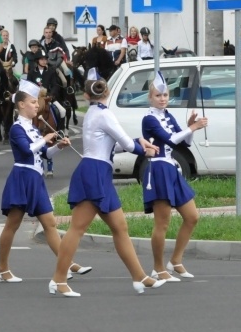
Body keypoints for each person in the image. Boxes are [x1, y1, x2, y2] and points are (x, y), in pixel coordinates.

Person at [50, 69, 164, 297]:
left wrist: (138, 142)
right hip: (95, 173)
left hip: (99, 172)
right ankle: (58, 280)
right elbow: (127, 145)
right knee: (78, 228)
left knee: (120, 227)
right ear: (108, 91)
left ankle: (139, 276)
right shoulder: (104, 114)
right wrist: (144, 149)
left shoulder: (94, 113)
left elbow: (112, 145)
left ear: (86, 94)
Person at [0, 79, 91, 282]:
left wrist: (58, 146)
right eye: (33, 102)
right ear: (21, 104)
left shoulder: (33, 128)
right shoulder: (17, 128)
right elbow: (26, 151)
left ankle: (67, 264)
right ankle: (2, 269)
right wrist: (45, 138)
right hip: (22, 179)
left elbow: (44, 154)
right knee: (12, 225)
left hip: (36, 179)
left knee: (50, 224)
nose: (37, 105)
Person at [142, 72, 208, 282]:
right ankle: (158, 268)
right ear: (150, 98)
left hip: (171, 168)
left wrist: (190, 127)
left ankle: (176, 261)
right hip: (158, 169)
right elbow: (170, 139)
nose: (162, 98)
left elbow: (184, 142)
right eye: (158, 95)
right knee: (162, 223)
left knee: (192, 216)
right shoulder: (149, 119)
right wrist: (192, 127)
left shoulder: (168, 115)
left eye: (165, 95)